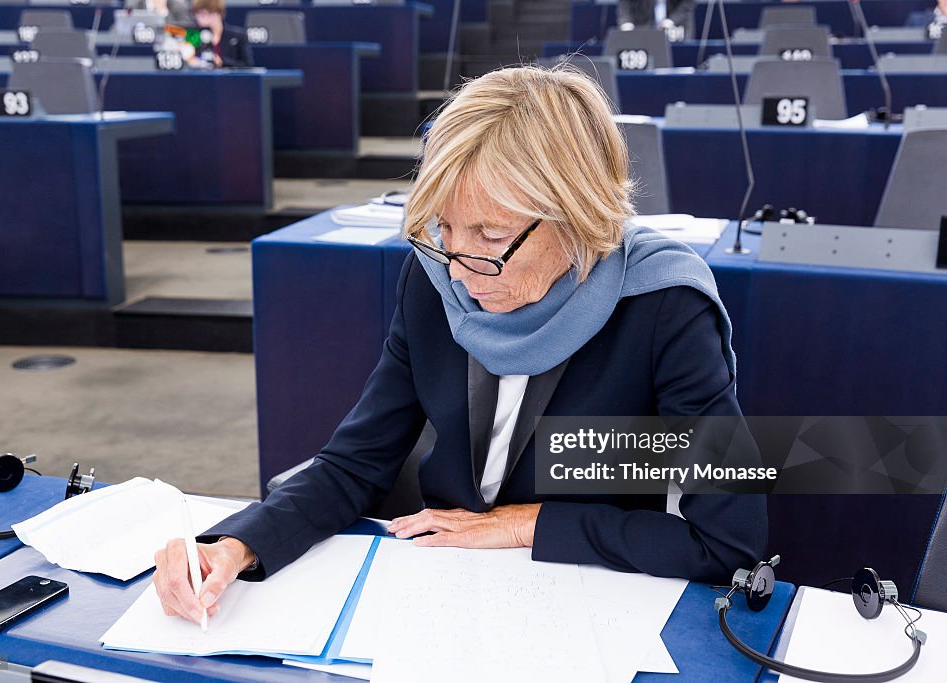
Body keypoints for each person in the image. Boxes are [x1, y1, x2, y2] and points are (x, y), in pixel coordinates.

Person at [152, 65, 767, 626]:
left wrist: (526, 525)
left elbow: (731, 541)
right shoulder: (432, 277)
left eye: (490, 235)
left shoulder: (663, 308)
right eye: (442, 227)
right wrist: (236, 544)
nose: (460, 269)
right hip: (442, 585)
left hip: (589, 593)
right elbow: (355, 462)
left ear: (579, 212)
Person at [191, 0, 252, 68]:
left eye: (208, 14)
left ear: (219, 13)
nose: (203, 19)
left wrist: (223, 62)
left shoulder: (238, 36)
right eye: (199, 14)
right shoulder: (193, 35)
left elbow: (247, 65)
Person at [124, 0, 192, 26]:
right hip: (139, 50)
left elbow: (186, 31)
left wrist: (164, 12)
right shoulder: (135, 7)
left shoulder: (179, 7)